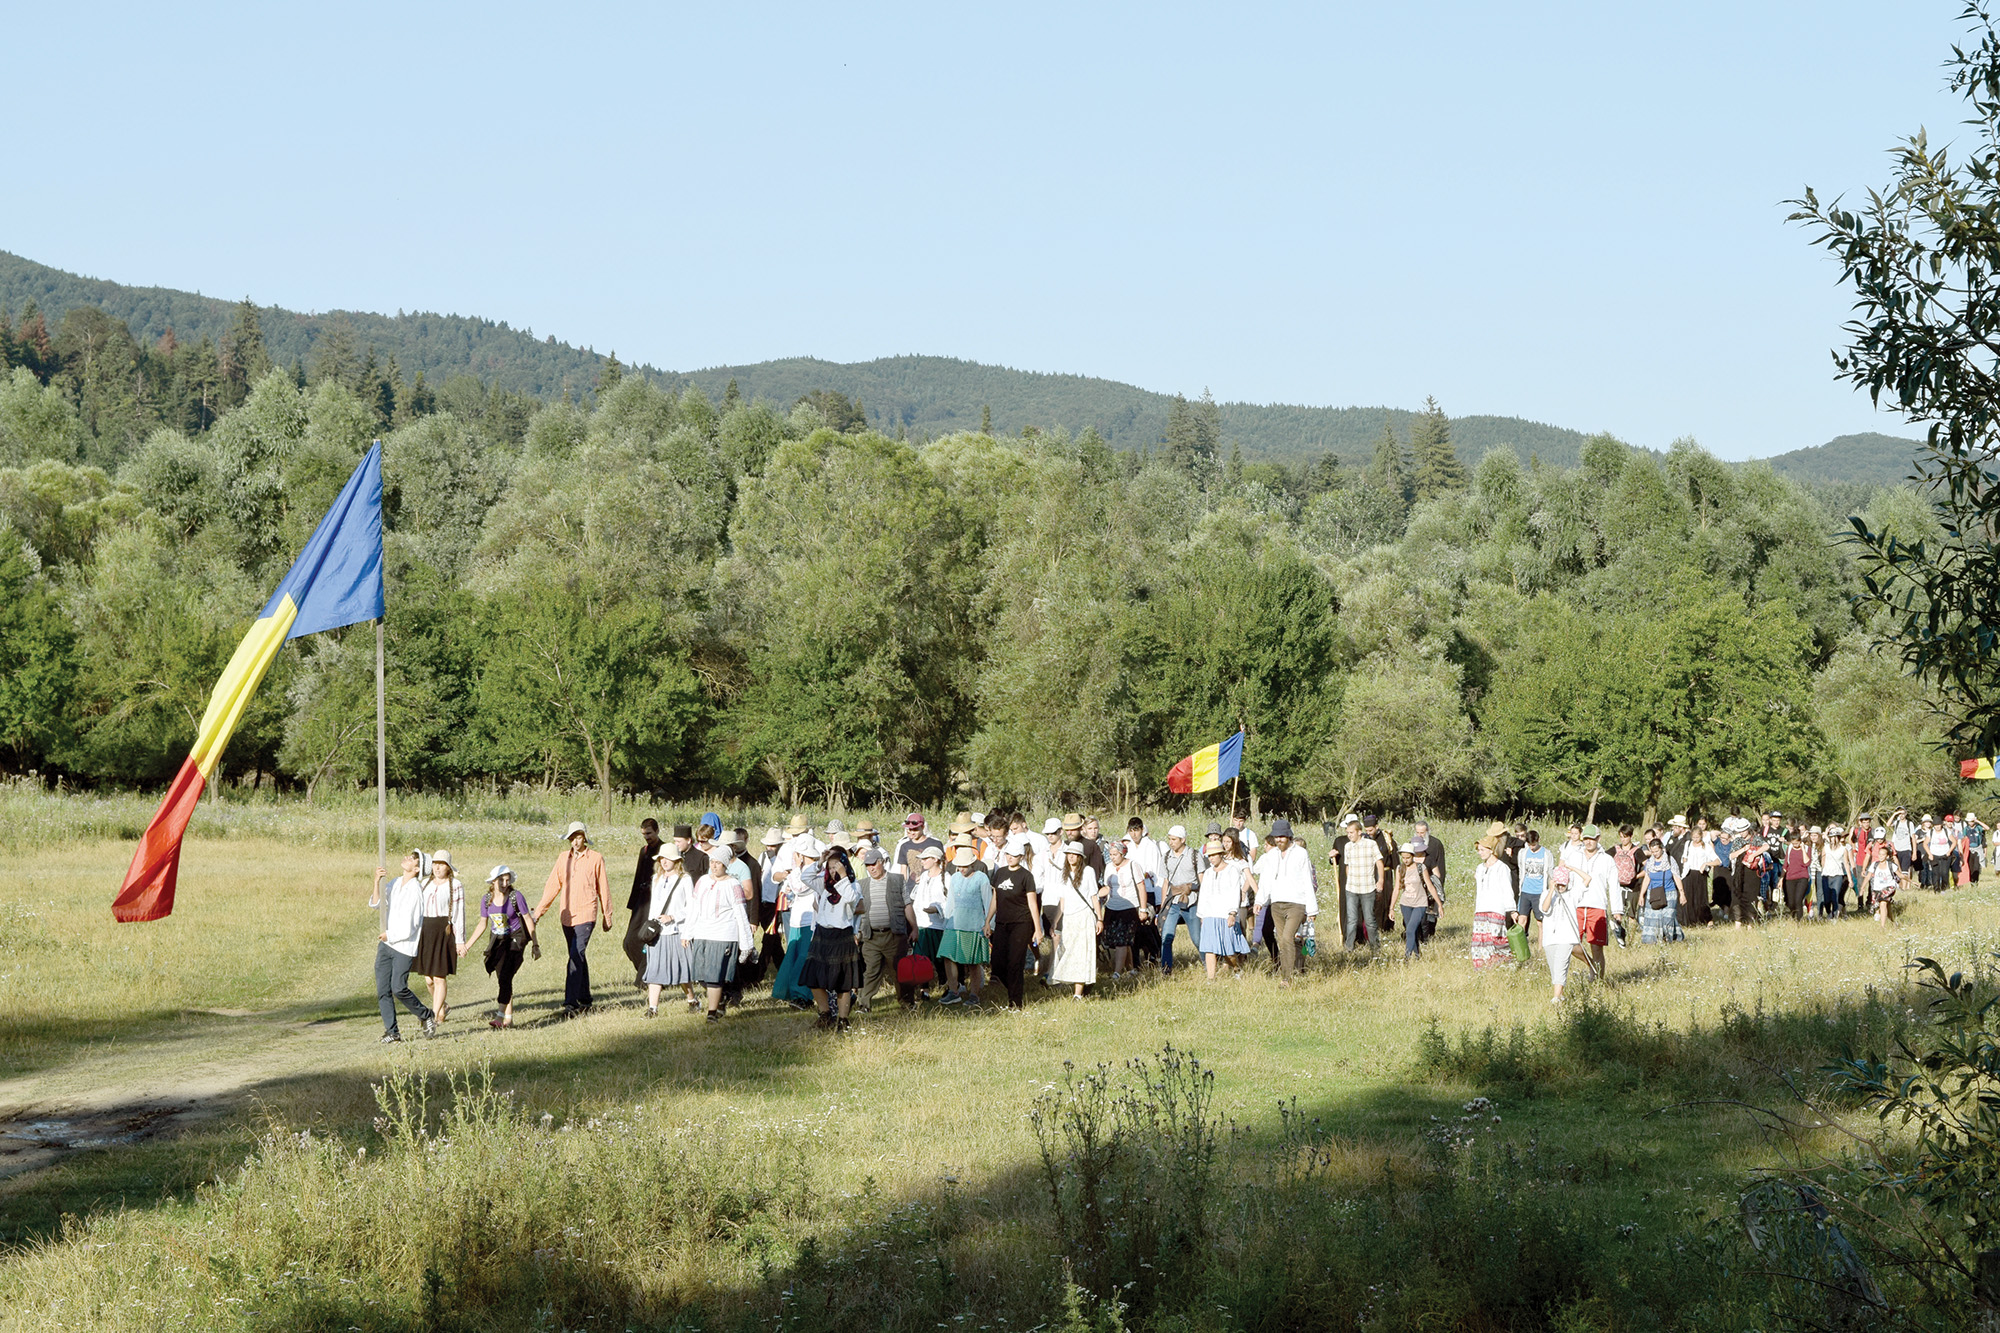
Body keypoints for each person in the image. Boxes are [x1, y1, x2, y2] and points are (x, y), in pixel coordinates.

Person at [532, 822, 614, 1017]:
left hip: (587, 914)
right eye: (572, 838)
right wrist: (538, 912)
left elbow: (603, 887)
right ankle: (585, 999)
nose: (575, 842)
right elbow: (552, 886)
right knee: (578, 956)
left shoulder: (595, 858)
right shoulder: (563, 859)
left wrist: (607, 914)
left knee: (575, 955)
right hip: (567, 915)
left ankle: (571, 1004)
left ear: (584, 837)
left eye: (578, 837)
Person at [458, 865, 538, 1028]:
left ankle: (500, 1017)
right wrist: (467, 946)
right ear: (493, 881)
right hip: (498, 940)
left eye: (507, 880)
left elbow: (528, 919)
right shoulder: (486, 899)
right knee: (503, 977)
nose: (504, 883)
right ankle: (509, 1019)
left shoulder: (516, 896)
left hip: (516, 937)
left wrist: (535, 944)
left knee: (506, 975)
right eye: (501, 880)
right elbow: (482, 924)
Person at [370, 851, 436, 1042]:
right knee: (383, 989)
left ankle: (425, 1015)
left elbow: (411, 925)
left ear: (417, 869)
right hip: (386, 945)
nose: (408, 857)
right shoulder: (396, 882)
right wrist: (376, 882)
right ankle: (392, 1032)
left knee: (398, 988)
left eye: (413, 858)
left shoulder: (415, 891)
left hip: (403, 947)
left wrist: (389, 934)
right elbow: (377, 904)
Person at [684, 852, 756, 1023]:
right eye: (712, 862)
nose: (714, 866)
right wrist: (687, 932)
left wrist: (747, 944)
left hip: (723, 934)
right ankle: (722, 998)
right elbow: (694, 908)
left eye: (718, 863)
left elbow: (740, 914)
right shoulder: (702, 881)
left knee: (714, 975)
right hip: (702, 933)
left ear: (725, 865)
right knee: (701, 975)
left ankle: (711, 1012)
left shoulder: (733, 885)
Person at [800, 838, 865, 1030]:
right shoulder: (824, 884)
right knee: (813, 977)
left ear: (845, 866)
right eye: (831, 867)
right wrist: (819, 863)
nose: (833, 871)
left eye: (836, 866)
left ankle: (843, 1020)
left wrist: (844, 877)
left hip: (842, 935)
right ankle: (825, 1013)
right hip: (822, 934)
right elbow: (805, 878)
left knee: (843, 981)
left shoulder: (853, 885)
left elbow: (852, 899)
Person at [1252, 819, 1319, 985]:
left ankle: (1286, 978)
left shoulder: (1300, 854)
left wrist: (1311, 910)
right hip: (1276, 904)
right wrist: (1260, 900)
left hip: (1296, 903)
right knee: (1282, 939)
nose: (1279, 840)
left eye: (1282, 836)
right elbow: (1266, 879)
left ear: (1289, 836)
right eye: (1276, 837)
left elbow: (1307, 880)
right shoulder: (1271, 855)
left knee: (1287, 938)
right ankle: (1293, 969)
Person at [640, 844, 696, 1017]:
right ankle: (653, 1008)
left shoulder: (685, 879)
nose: (664, 862)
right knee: (655, 969)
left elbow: (692, 907)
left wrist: (673, 917)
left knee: (682, 970)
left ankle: (692, 1000)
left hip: (677, 931)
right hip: (658, 933)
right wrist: (649, 931)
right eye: (662, 859)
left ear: (676, 860)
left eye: (668, 858)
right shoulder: (656, 878)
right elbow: (653, 908)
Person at [851, 846, 909, 1013]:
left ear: (882, 862)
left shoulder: (897, 880)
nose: (871, 868)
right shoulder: (862, 884)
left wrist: (914, 928)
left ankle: (906, 1003)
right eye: (867, 865)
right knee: (870, 972)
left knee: (899, 971)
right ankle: (864, 1005)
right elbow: (857, 912)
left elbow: (907, 905)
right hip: (870, 936)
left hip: (893, 935)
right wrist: (856, 932)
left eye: (873, 864)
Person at [770, 831, 822, 1008]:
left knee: (803, 957)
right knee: (794, 954)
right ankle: (792, 992)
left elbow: (799, 887)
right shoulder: (801, 871)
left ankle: (803, 994)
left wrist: (796, 869)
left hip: (810, 919)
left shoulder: (814, 871)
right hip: (797, 918)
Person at [989, 835, 1042, 1010]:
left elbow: (1032, 903)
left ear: (1021, 856)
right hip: (1002, 923)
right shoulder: (1000, 872)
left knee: (1015, 962)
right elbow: (995, 898)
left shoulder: (1026, 876)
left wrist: (1037, 929)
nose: (1009, 857)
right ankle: (1012, 989)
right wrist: (987, 921)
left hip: (1021, 923)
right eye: (1008, 854)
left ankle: (1015, 1002)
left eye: (1013, 855)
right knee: (997, 962)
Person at [940, 842, 996, 1004]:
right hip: (954, 924)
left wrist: (989, 925)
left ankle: (975, 995)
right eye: (959, 866)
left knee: (973, 962)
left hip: (973, 925)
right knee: (948, 956)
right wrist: (946, 922)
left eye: (964, 866)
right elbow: (950, 901)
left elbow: (988, 901)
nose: (961, 869)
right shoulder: (955, 878)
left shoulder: (981, 878)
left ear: (972, 864)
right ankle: (954, 990)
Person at [413, 850, 465, 1023]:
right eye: (435, 863)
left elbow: (459, 914)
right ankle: (442, 1006)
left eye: (441, 864)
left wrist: (460, 941)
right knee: (428, 979)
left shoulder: (455, 885)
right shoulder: (424, 884)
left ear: (448, 868)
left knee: (439, 976)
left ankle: (435, 1016)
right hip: (426, 930)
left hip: (443, 930)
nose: (437, 867)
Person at [1048, 841, 1102, 998]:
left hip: (1084, 916)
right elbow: (1062, 901)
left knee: (1081, 953)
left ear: (1080, 857)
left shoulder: (1088, 871)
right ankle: (1078, 986)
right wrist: (1055, 921)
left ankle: (1078, 993)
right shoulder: (1064, 874)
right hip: (1070, 918)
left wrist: (1099, 919)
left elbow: (1094, 896)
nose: (1071, 857)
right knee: (1068, 951)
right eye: (1068, 854)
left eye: (1074, 854)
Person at [1195, 834, 1249, 980]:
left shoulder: (1231, 870)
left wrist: (1232, 913)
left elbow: (1234, 893)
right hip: (1210, 914)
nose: (1211, 859)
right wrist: (1202, 915)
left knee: (1228, 950)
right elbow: (1204, 894)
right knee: (1209, 948)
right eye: (1209, 856)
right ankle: (1211, 978)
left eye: (1214, 855)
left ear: (1221, 855)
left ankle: (1237, 968)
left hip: (1225, 914)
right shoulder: (1208, 873)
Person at [1572, 825, 1616, 980]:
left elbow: (1614, 885)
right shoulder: (1575, 856)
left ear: (1599, 838)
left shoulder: (1607, 859)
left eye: (1592, 838)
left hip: (1597, 906)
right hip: (1576, 905)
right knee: (1570, 943)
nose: (1588, 842)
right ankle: (1592, 966)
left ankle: (1598, 981)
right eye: (1586, 838)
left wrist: (1617, 910)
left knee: (1596, 947)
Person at [1337, 815, 1386, 953]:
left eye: (1351, 832)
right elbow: (1347, 866)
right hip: (1352, 888)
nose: (1349, 835)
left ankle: (1375, 948)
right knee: (1351, 920)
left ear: (1359, 831)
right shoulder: (1347, 847)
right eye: (1347, 833)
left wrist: (1380, 880)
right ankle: (1349, 948)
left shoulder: (1371, 844)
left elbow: (1379, 862)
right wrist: (1350, 879)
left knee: (1369, 920)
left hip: (1368, 888)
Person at [1156, 825, 1200, 975]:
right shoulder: (1166, 857)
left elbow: (1202, 881)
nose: (1171, 842)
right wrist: (1162, 907)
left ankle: (1209, 967)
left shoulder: (1194, 855)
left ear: (1183, 840)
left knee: (1197, 939)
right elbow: (1165, 883)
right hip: (1173, 902)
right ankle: (1166, 970)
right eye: (1169, 839)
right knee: (1166, 937)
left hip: (1192, 900)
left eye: (1174, 839)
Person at [624, 818, 663, 986]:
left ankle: (646, 977)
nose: (646, 837)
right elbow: (638, 875)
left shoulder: (664, 850)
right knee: (629, 941)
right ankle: (645, 970)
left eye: (649, 833)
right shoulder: (643, 851)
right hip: (641, 901)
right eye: (644, 834)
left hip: (655, 900)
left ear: (657, 831)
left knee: (648, 938)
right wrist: (633, 903)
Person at [907, 845, 950, 996]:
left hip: (938, 925)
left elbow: (950, 903)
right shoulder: (924, 877)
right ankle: (924, 989)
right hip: (922, 924)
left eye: (926, 859)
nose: (923, 861)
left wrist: (937, 908)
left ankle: (946, 985)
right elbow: (916, 898)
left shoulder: (946, 878)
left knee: (940, 959)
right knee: (920, 958)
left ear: (935, 860)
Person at [1100, 839, 1143, 980]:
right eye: (1111, 854)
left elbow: (1141, 886)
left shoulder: (1133, 865)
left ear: (1122, 854)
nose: (1112, 857)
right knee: (1118, 941)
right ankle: (1131, 968)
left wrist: (1143, 908)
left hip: (1128, 907)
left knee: (1122, 940)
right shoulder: (1108, 867)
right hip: (1112, 908)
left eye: (1115, 854)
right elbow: (1108, 887)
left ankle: (1117, 972)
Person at [1469, 836, 1512, 966]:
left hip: (1496, 908)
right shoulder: (1480, 868)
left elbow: (1507, 889)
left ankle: (1504, 964)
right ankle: (1482, 968)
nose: (1479, 852)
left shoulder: (1502, 868)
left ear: (1491, 850)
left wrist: (1511, 909)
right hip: (1481, 909)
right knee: (1480, 941)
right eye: (1479, 850)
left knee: (1496, 939)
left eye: (1482, 850)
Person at [1393, 843, 1440, 960]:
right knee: (1411, 930)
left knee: (1410, 929)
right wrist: (1391, 907)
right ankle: (1417, 955)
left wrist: (1439, 904)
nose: (1405, 860)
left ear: (1413, 856)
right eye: (1403, 858)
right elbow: (1396, 888)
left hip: (1420, 903)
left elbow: (1430, 886)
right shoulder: (1399, 869)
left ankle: (1407, 956)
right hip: (1405, 903)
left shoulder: (1421, 867)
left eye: (1408, 857)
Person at [1637, 838, 1684, 944]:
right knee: (1653, 919)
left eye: (1657, 851)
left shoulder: (1670, 861)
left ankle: (1668, 939)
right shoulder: (1650, 862)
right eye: (1652, 852)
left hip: (1669, 893)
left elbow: (1676, 877)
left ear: (1662, 848)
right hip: (1653, 894)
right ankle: (1653, 941)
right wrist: (1641, 895)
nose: (1655, 854)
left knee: (1668, 918)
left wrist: (1682, 893)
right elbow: (1647, 878)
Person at [1515, 830, 1550, 951]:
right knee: (1522, 920)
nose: (1532, 847)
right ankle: (1521, 948)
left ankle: (1541, 949)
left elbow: (1549, 873)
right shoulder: (1523, 853)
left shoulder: (1546, 854)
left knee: (1540, 922)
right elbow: (1521, 869)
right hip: (1525, 891)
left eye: (1533, 845)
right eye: (1529, 845)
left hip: (1539, 892)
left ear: (1538, 840)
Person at [1864, 839, 1901, 925]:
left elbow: (1901, 875)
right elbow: (1868, 876)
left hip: (1889, 887)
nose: (1880, 856)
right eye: (1879, 854)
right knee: (1887, 905)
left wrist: (1911, 881)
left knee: (1883, 903)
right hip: (1878, 888)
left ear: (1887, 856)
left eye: (1883, 855)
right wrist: (1862, 887)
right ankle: (1893, 922)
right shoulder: (1875, 864)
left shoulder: (1891, 865)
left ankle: (1882, 926)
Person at [1818, 824, 1851, 918]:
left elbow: (1846, 863)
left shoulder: (1843, 849)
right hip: (1826, 875)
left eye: (1835, 837)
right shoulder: (1826, 848)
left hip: (1838, 875)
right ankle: (1829, 912)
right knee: (1827, 899)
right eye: (1831, 837)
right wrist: (1824, 870)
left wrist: (1850, 879)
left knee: (1835, 896)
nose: (1833, 839)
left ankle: (1834, 915)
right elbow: (1823, 861)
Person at [1782, 830, 1811, 918]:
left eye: (1797, 843)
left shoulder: (1806, 849)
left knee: (1798, 900)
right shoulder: (1790, 848)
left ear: (1800, 841)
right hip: (1790, 878)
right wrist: (1781, 879)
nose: (1795, 845)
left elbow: (1807, 863)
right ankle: (1793, 915)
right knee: (1790, 902)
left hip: (1802, 877)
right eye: (1793, 843)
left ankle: (1799, 921)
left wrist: (1802, 849)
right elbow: (1785, 864)